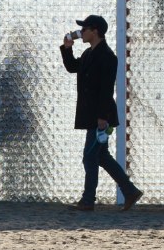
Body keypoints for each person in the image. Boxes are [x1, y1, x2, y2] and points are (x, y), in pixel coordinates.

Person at [60, 15, 143, 211]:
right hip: (93, 116)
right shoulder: (89, 54)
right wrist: (67, 48)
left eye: (85, 29)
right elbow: (72, 67)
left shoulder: (107, 56)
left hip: (102, 117)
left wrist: (102, 118)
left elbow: (107, 89)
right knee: (101, 156)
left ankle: (88, 200)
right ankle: (130, 191)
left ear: (95, 30)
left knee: (90, 156)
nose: (82, 33)